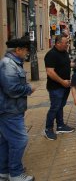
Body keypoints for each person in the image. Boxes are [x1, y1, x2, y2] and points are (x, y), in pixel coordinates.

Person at [0, 37, 35, 181]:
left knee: (6, 140)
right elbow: (12, 89)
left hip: (10, 108)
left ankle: (4, 171)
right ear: (18, 50)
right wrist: (28, 88)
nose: (27, 53)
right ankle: (15, 173)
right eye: (26, 50)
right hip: (10, 110)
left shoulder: (12, 63)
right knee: (20, 140)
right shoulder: (8, 65)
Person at [44, 35, 75, 140]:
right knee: (55, 107)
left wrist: (75, 65)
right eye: (65, 43)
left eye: (67, 43)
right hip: (56, 87)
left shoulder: (64, 52)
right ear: (57, 43)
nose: (67, 45)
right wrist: (62, 82)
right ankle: (48, 129)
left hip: (65, 85)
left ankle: (60, 125)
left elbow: (66, 64)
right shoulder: (51, 55)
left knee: (60, 106)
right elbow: (50, 72)